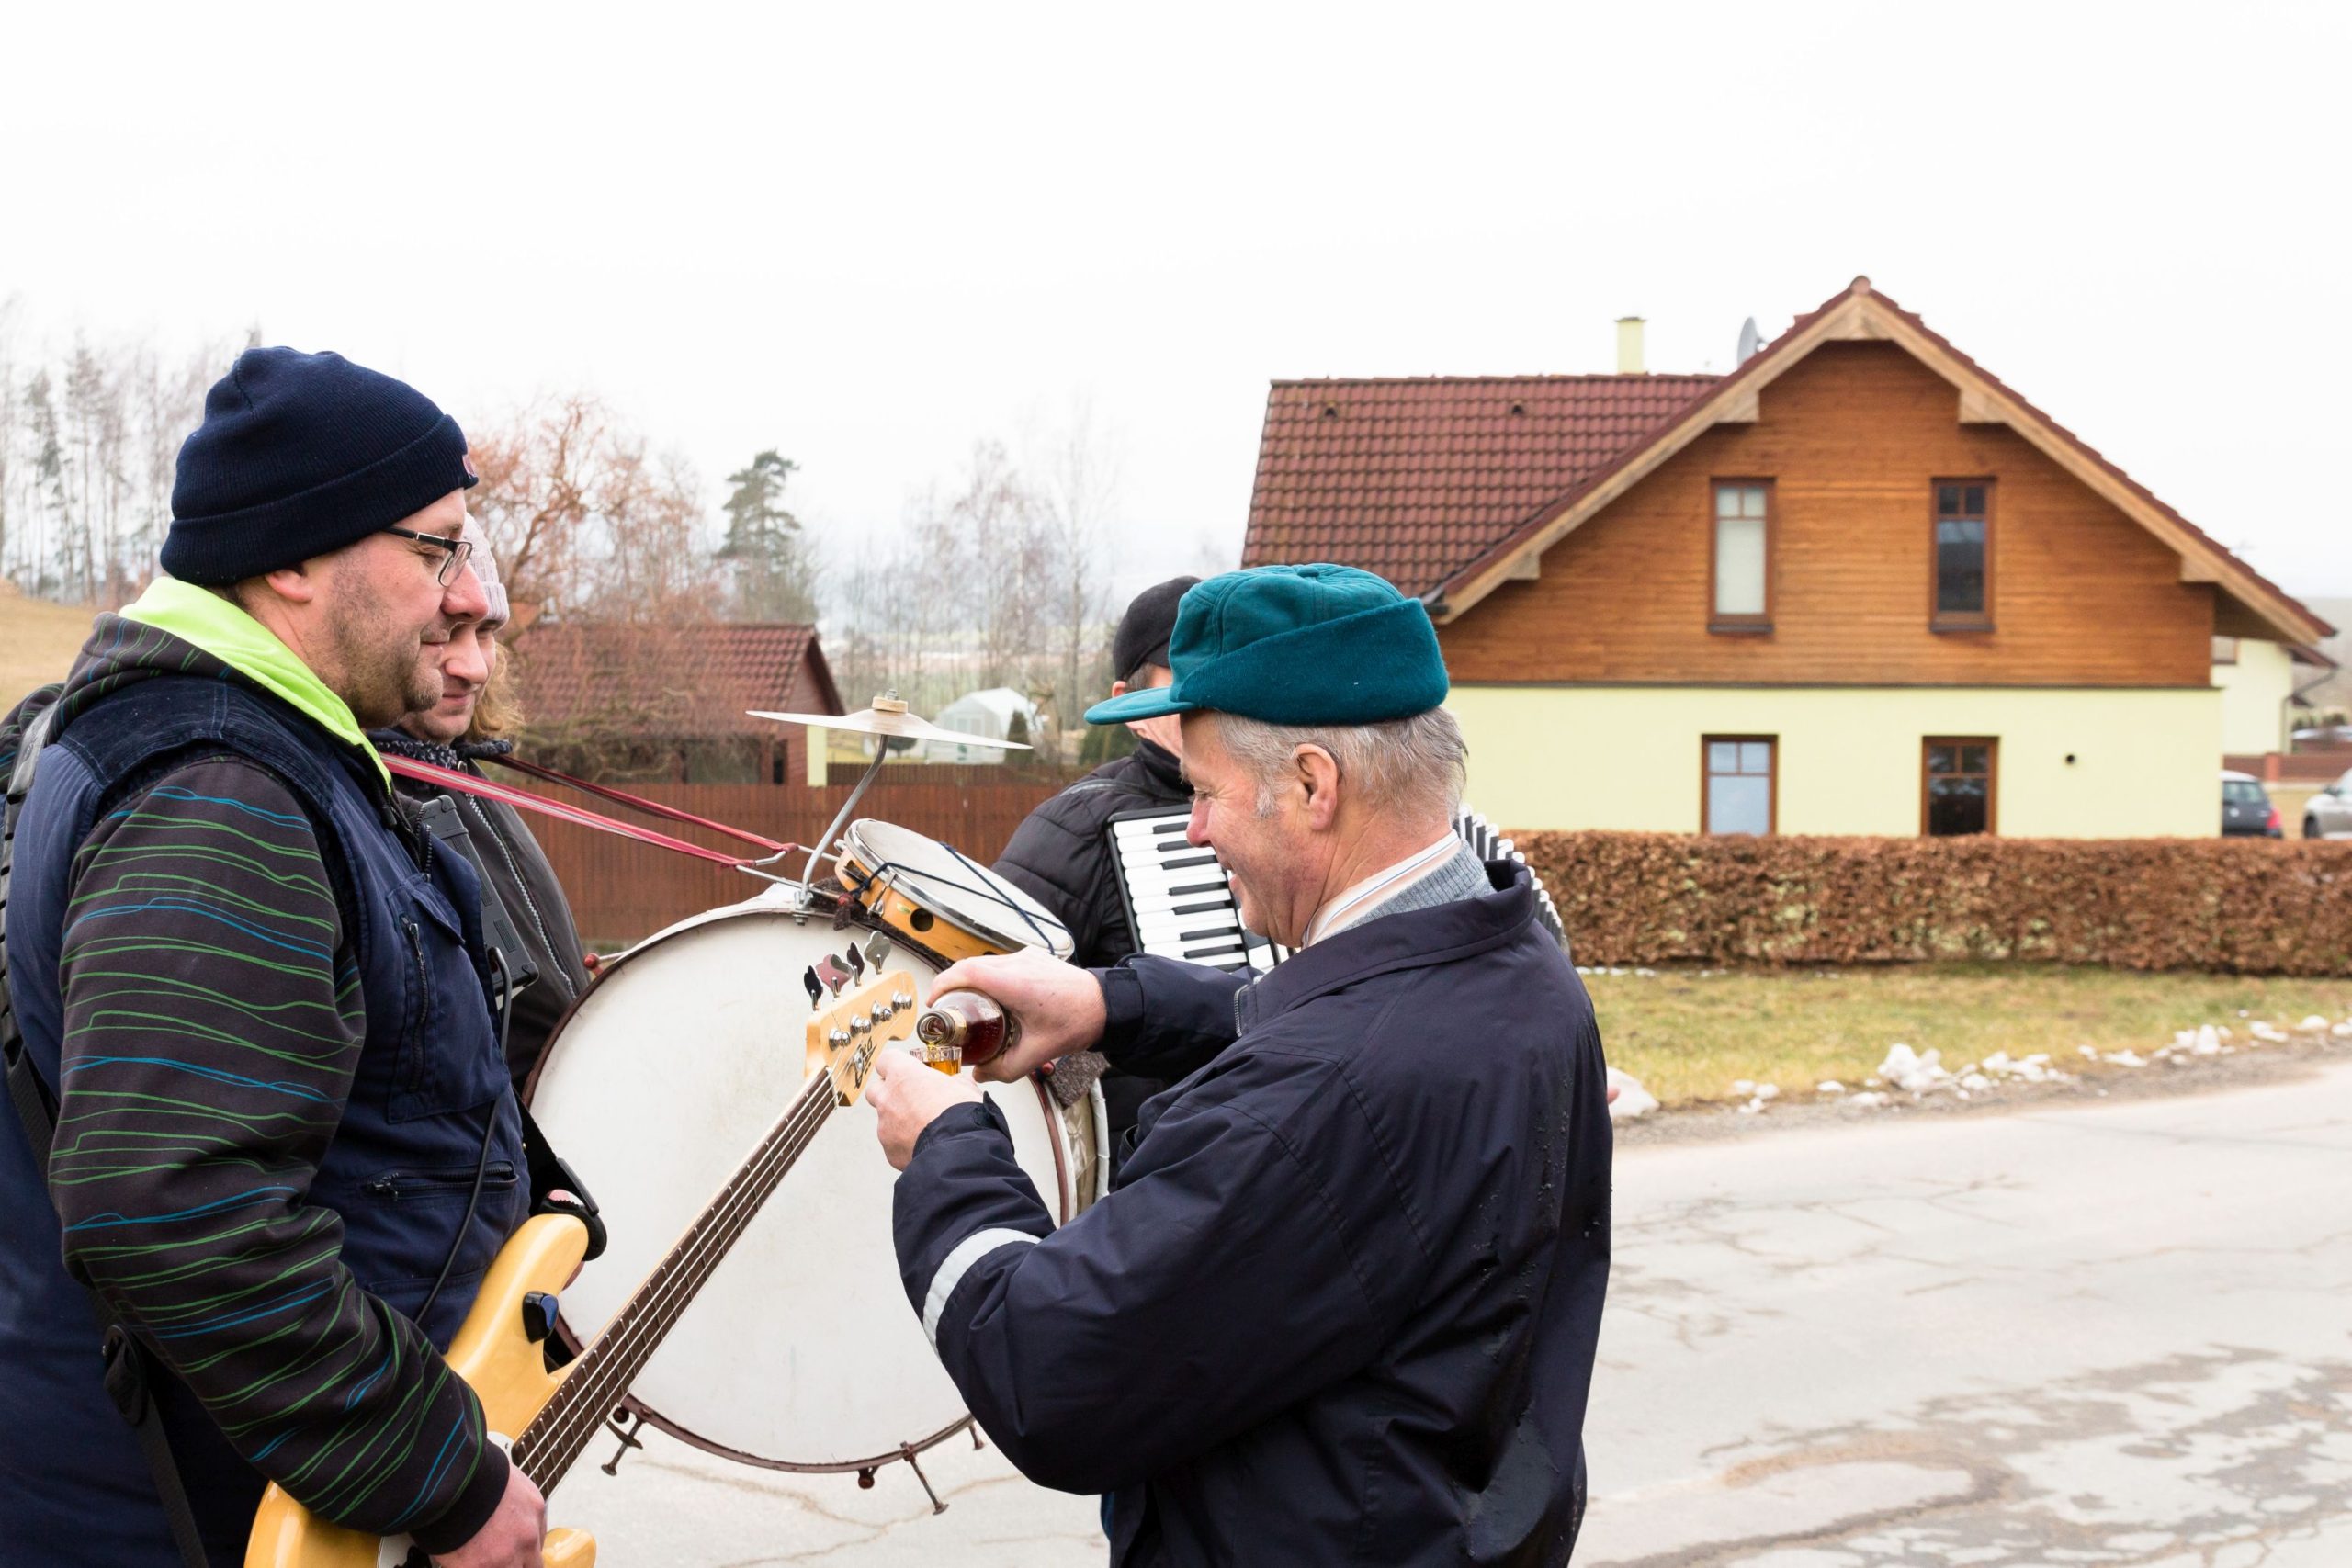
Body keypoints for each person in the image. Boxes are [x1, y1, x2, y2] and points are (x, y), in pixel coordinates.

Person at [865, 564, 1613, 1565]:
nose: (1194, 827)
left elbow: (1048, 1372)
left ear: (1312, 785)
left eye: (1208, 791)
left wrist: (946, 1145)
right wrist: (1111, 1003)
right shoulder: (1522, 971)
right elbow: (1368, 1038)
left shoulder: (1312, 1101)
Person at [0, 349, 545, 1567]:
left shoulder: (269, 753)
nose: (469, 596)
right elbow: (171, 1205)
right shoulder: (218, 789)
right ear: (292, 562)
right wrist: (439, 1476)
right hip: (211, 1522)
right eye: (437, 550)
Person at [370, 521, 592, 1087]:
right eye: (444, 633)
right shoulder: (371, 800)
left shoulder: (461, 771)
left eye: (486, 632)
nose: (473, 667)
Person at [991, 575, 1196, 1136]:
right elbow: (996, 1014)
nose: (1208, 697)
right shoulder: (1072, 828)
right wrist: (1112, 1036)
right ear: (1129, 704)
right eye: (1186, 675)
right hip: (1143, 1154)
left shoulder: (1283, 802)